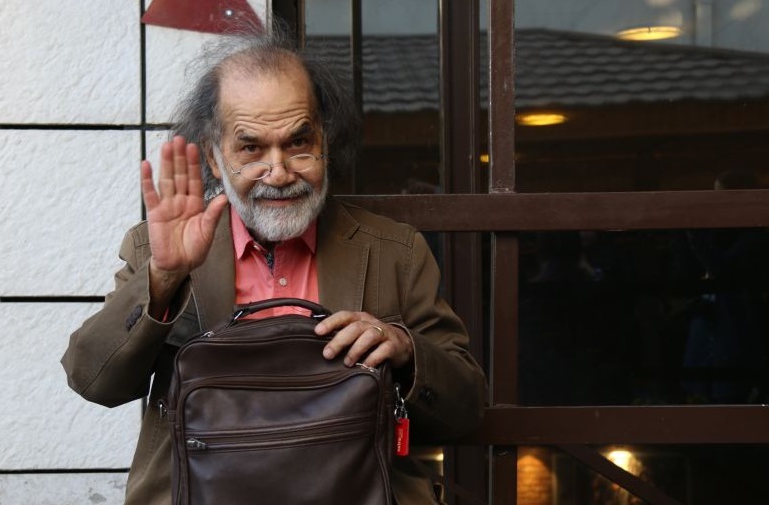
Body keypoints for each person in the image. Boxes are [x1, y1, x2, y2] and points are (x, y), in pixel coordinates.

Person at [61, 29, 487, 505]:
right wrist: (163, 278)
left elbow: (466, 408)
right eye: (251, 149)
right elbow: (92, 381)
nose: (279, 172)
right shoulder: (157, 249)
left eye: (298, 143)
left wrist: (405, 349)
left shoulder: (393, 252)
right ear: (214, 158)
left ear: (325, 141)